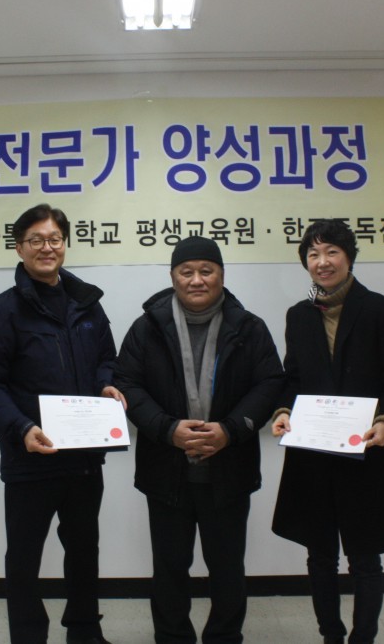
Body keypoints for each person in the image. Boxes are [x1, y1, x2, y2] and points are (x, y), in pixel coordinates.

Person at [0, 203, 124, 644]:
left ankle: (85, 632)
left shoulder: (87, 305)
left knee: (84, 551)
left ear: (65, 244)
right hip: (31, 457)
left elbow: (107, 359)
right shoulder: (0, 312)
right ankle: (29, 636)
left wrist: (107, 385)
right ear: (19, 248)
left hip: (84, 456)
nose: (47, 247)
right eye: (35, 240)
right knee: (24, 558)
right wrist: (20, 429)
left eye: (54, 239)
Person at [114, 235, 284, 644]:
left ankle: (225, 636)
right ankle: (172, 637)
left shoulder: (249, 327)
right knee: (169, 567)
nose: (196, 280)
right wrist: (166, 428)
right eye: (186, 271)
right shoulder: (146, 328)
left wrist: (231, 429)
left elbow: (269, 384)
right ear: (172, 276)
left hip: (229, 470)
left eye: (206, 271)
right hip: (165, 471)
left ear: (221, 275)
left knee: (227, 567)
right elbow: (127, 384)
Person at [270, 219, 384, 644]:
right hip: (313, 454)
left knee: (365, 559)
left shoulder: (379, 308)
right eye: (313, 254)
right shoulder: (299, 315)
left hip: (367, 451)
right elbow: (293, 378)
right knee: (320, 557)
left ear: (349, 258)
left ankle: (362, 638)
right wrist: (283, 411)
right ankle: (331, 636)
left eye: (331, 252)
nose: (322, 262)